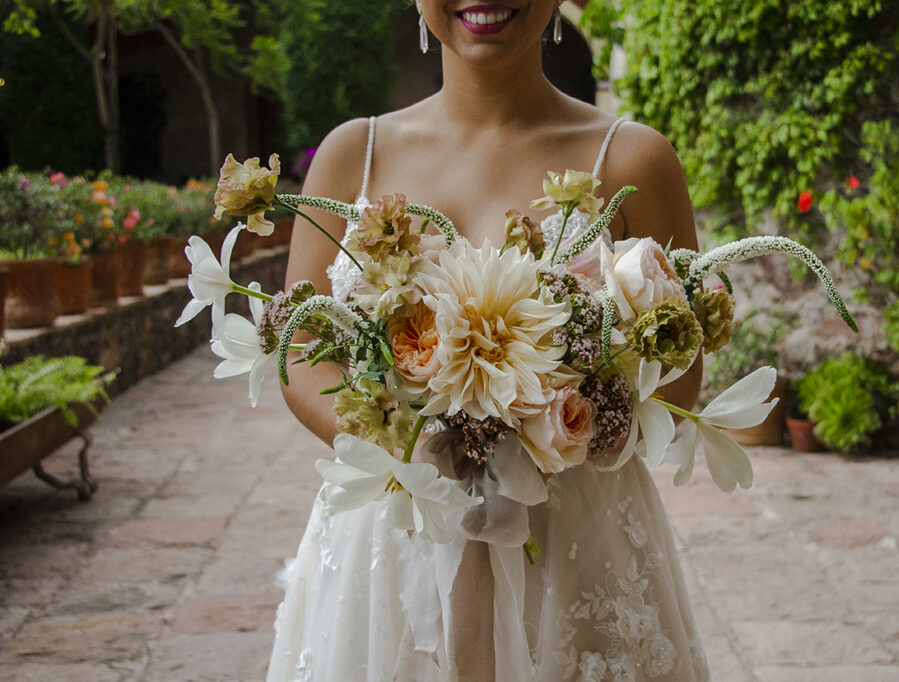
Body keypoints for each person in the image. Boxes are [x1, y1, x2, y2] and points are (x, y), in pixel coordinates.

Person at [266, 2, 710, 680]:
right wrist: (410, 444)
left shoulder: (634, 158)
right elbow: (299, 347)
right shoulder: (352, 157)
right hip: (396, 524)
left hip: (575, 540)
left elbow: (682, 372)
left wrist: (552, 427)